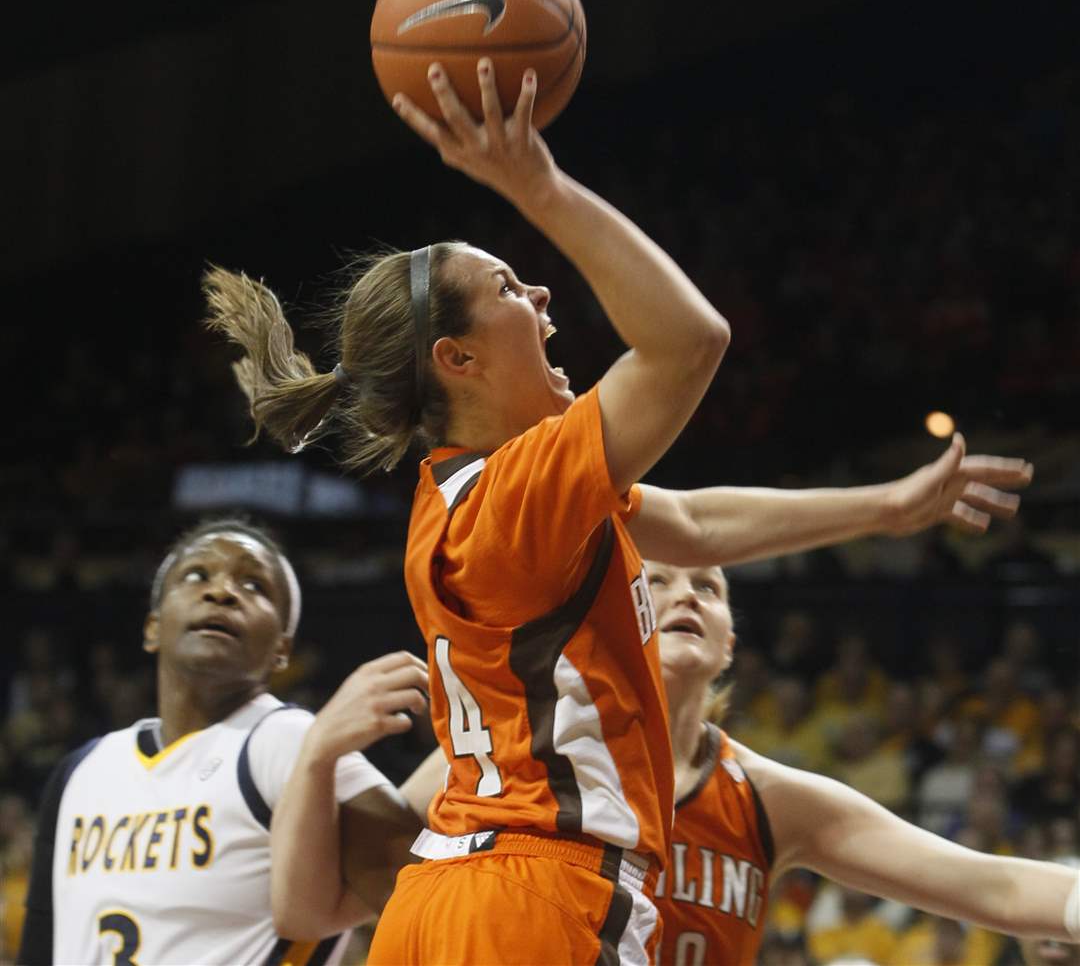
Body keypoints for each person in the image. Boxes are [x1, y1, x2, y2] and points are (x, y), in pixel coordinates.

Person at [205, 59, 1036, 964]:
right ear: (459, 359)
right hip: (542, 897)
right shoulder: (521, 491)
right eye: (511, 290)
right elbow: (690, 341)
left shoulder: (471, 494)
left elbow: (692, 526)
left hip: (443, 898)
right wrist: (539, 185)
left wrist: (887, 508)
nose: (543, 295)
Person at [17, 516, 430, 966]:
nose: (221, 591)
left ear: (282, 649)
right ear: (152, 627)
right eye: (196, 575)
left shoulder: (288, 741)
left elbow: (425, 903)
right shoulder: (81, 769)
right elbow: (41, 946)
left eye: (254, 586)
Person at [647, 559, 1080, 965]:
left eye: (707, 585)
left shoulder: (766, 797)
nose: (687, 595)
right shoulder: (579, 761)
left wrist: (1070, 909)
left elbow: (983, 884)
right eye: (658, 580)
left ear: (728, 644)